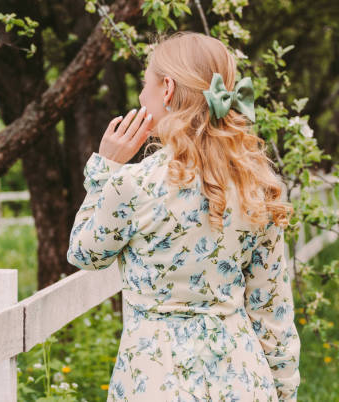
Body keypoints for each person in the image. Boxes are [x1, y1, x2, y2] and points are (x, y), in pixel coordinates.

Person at [66, 31, 301, 401]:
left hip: (154, 381)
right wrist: (284, 391)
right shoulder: (257, 187)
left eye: (146, 83)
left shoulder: (132, 184)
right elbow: (271, 309)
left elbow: (84, 253)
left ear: (167, 88)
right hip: (242, 381)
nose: (142, 96)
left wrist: (103, 168)